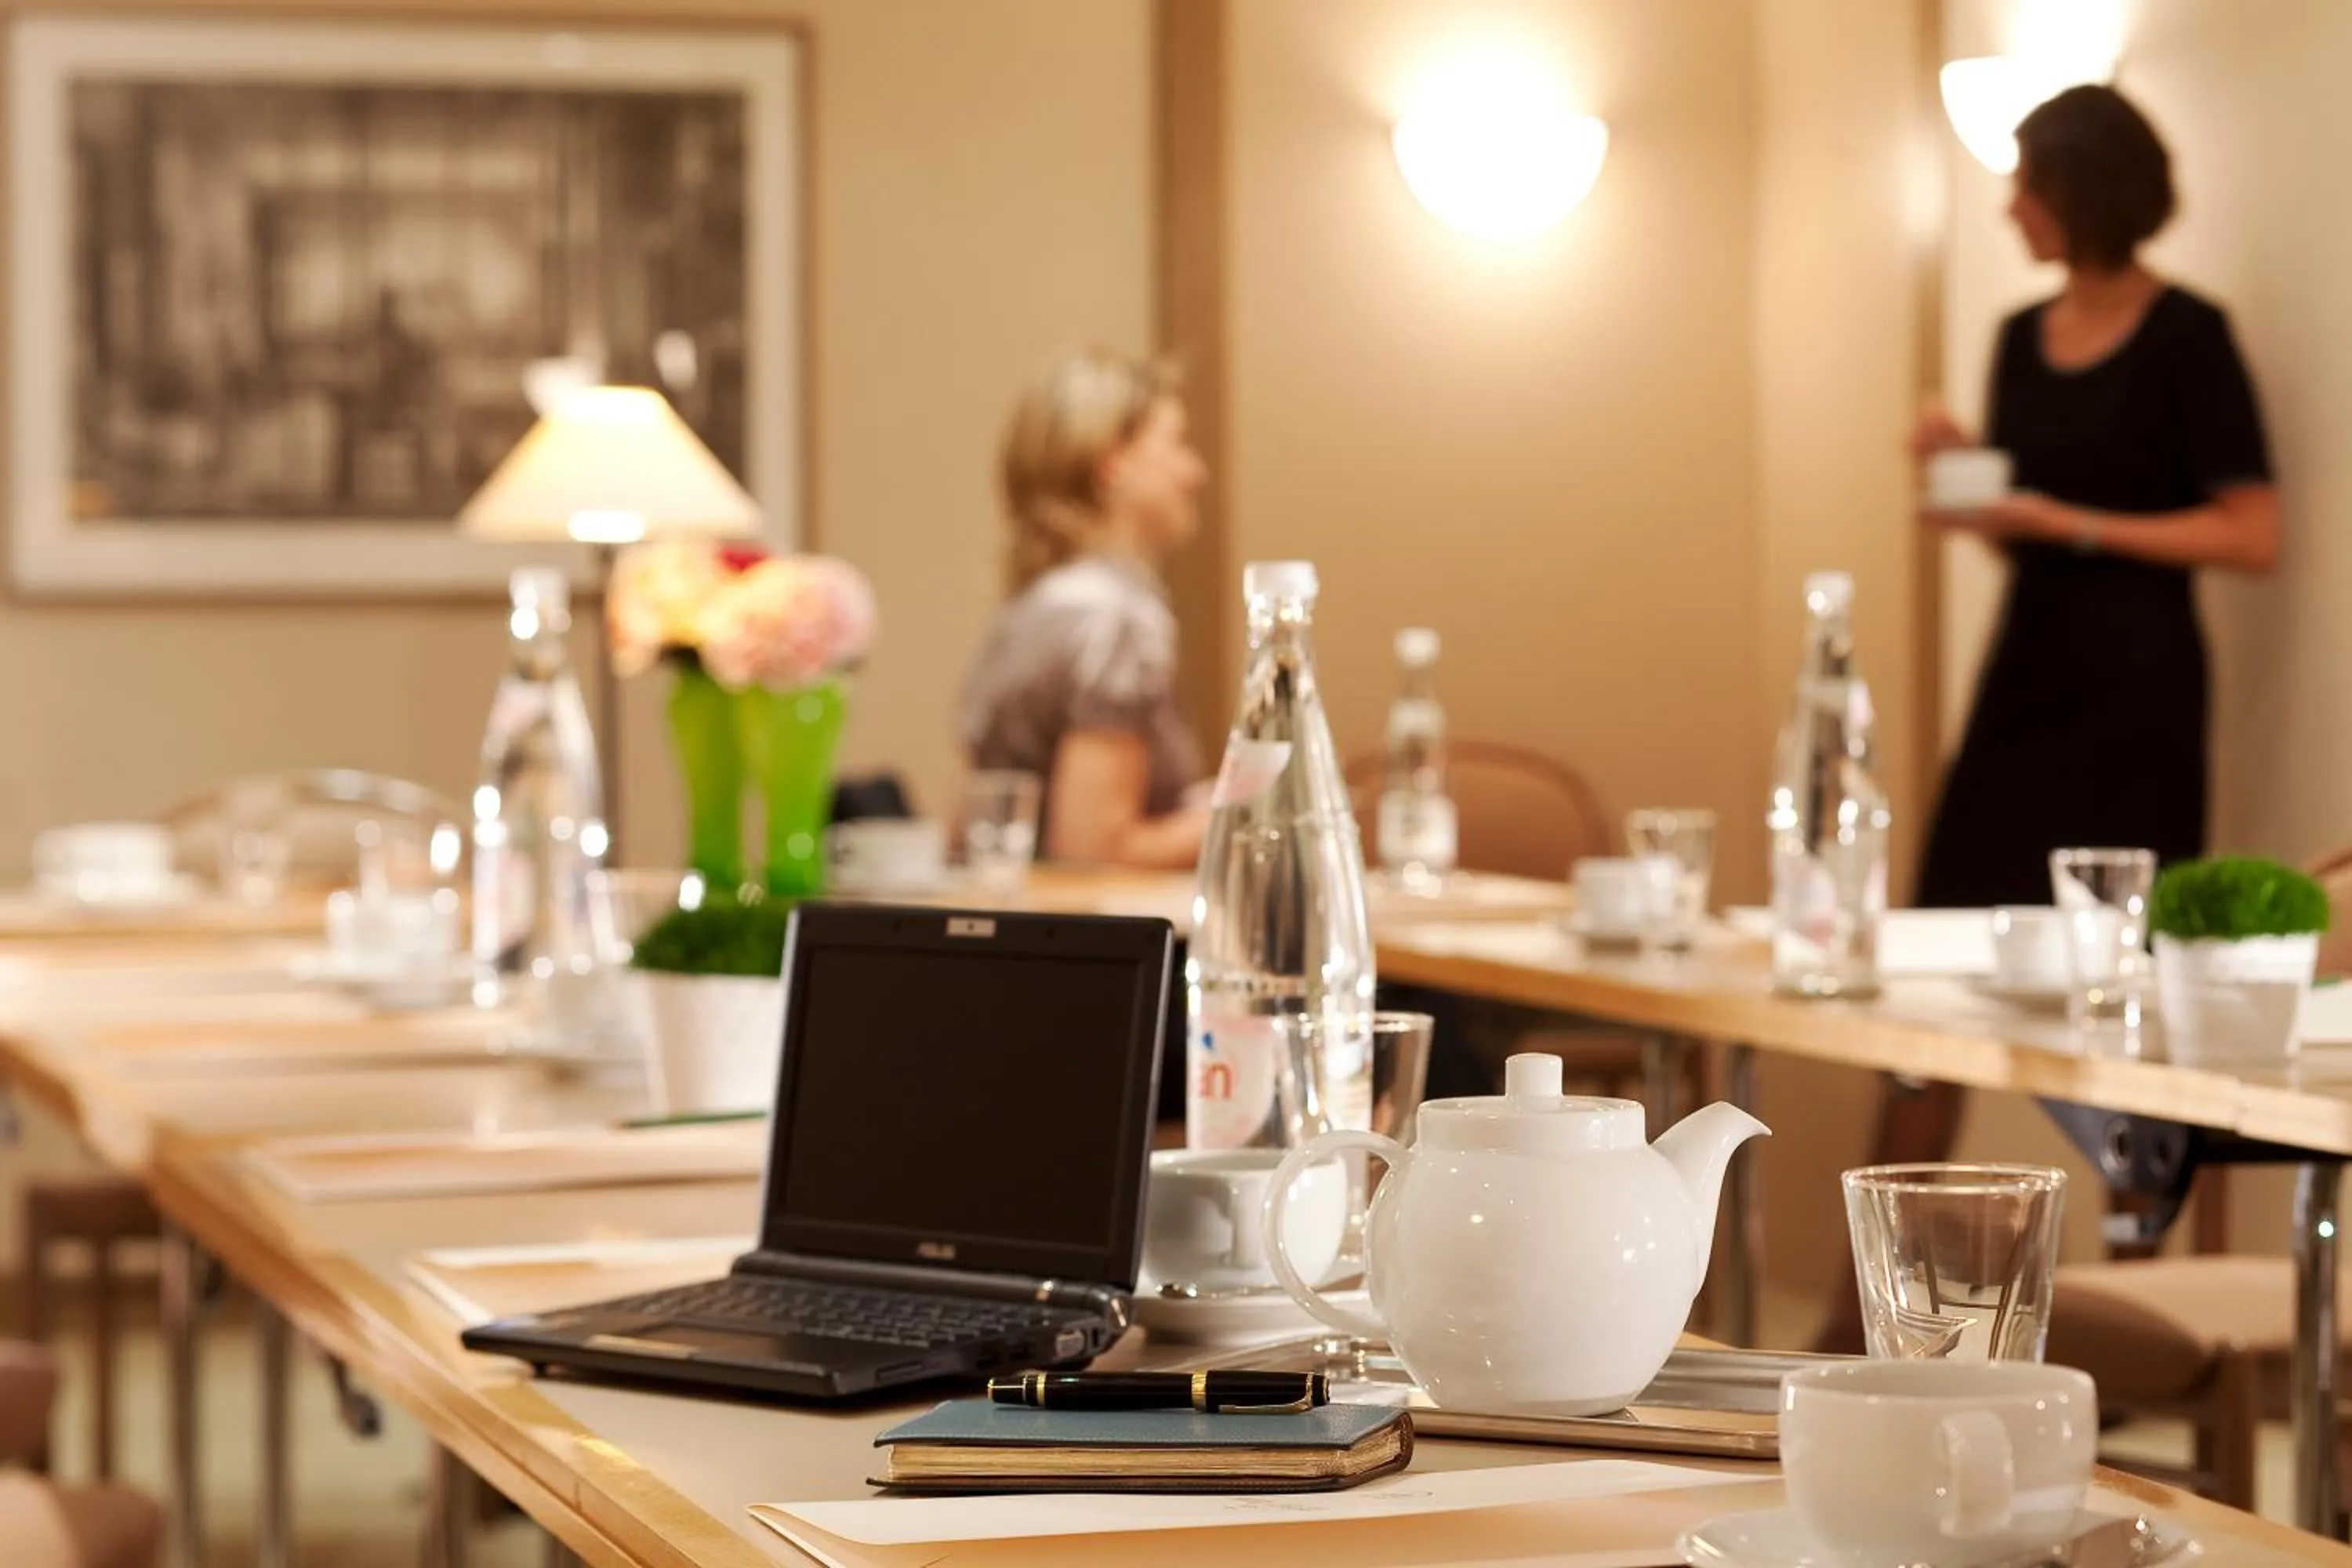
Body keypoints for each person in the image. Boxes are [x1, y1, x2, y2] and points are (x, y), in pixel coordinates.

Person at [1820, 85, 2280, 1351]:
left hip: (2139, 688)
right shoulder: (2020, 337)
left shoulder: (2192, 335)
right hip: (2025, 679)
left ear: (2082, 189)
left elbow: (2251, 533)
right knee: (1930, 979)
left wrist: (2064, 521)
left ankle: (2149, 1312)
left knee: (2126, 991)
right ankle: (1871, 1314)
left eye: (2025, 179)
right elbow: (2022, 520)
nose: (2009, 202)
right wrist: (1976, 473)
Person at [959, 347, 1210, 869]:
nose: (1197, 471)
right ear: (1112, 464)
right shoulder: (1115, 621)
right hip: (1085, 936)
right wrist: (1250, 813)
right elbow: (1093, 851)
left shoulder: (1034, 606)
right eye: (1179, 444)